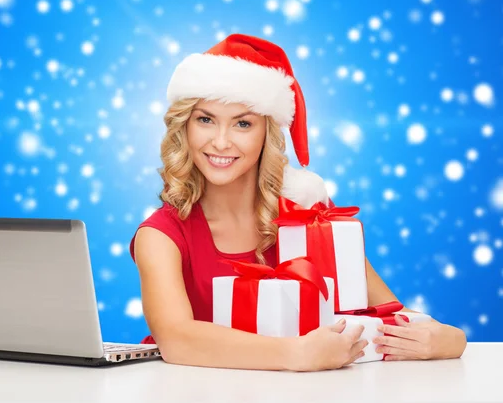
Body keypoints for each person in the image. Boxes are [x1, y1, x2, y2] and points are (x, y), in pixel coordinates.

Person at [129, 34, 467, 372]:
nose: (220, 141)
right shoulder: (162, 235)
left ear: (267, 133)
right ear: (184, 127)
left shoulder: (311, 215)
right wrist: (296, 354)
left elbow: (388, 313)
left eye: (242, 123)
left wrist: (449, 340)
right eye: (205, 119)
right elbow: (176, 339)